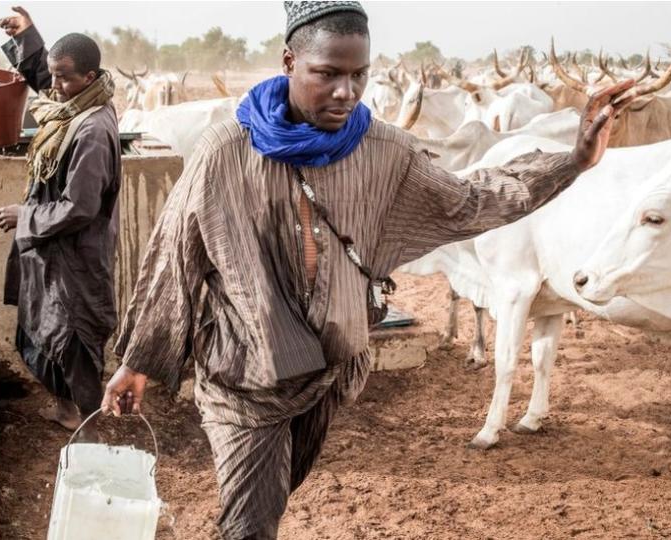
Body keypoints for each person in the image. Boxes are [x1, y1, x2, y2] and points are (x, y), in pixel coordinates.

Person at [102, 1, 636, 538]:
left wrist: (572, 161)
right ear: (289, 61)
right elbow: (175, 255)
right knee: (251, 524)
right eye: (328, 74)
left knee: (270, 498)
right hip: (245, 373)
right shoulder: (223, 152)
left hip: (329, 371)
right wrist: (138, 361)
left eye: (359, 74)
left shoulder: (385, 151)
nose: (346, 92)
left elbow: (470, 200)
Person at [0, 6, 122, 440]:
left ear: (89, 76)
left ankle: (89, 428)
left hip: (76, 255)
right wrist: (28, 36)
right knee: (40, 334)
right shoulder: (72, 105)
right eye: (54, 76)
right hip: (52, 250)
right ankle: (67, 410)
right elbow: (47, 79)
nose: (55, 87)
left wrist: (23, 215)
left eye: (64, 78)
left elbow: (79, 207)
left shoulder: (92, 129)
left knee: (74, 341)